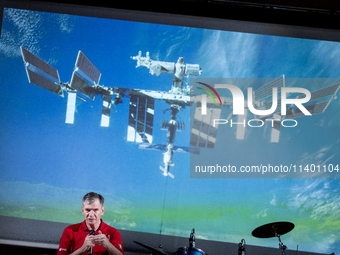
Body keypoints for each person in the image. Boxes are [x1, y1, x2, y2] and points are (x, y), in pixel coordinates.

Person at [57, 192, 124, 255]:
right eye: (87, 210)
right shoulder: (69, 231)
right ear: (82, 210)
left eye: (95, 210)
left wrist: (108, 245)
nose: (91, 214)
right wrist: (82, 249)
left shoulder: (113, 232)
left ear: (102, 211)